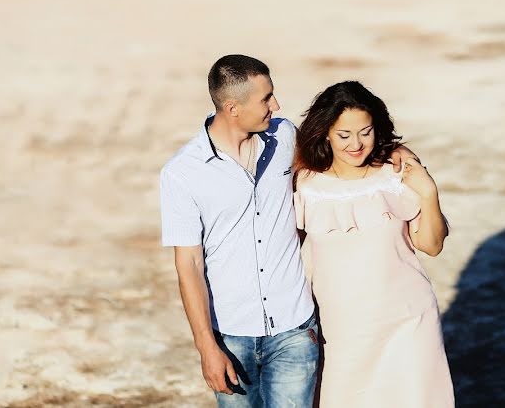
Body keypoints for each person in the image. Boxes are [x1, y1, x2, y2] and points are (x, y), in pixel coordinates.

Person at [159, 56, 417, 407]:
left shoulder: (284, 138)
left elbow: (338, 157)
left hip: (295, 329)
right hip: (232, 336)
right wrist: (206, 346)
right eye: (265, 98)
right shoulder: (182, 174)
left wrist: (392, 150)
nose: (275, 105)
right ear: (232, 107)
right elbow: (188, 264)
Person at [293, 81, 454, 408]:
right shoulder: (304, 184)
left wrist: (429, 193)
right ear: (325, 132)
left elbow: (432, 245)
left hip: (409, 321)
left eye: (365, 132)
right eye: (344, 135)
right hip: (345, 328)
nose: (356, 144)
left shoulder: (396, 176)